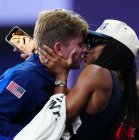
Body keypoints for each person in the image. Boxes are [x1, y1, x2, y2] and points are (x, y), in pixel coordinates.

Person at [38, 19, 139, 140]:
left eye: (93, 42)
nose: (86, 49)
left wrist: (61, 75)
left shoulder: (97, 72)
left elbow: (59, 119)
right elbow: (82, 111)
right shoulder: (121, 87)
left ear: (112, 49)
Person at [0, 8, 88, 139]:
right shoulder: (24, 78)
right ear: (58, 49)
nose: (85, 50)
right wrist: (35, 134)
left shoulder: (49, 75)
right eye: (80, 44)